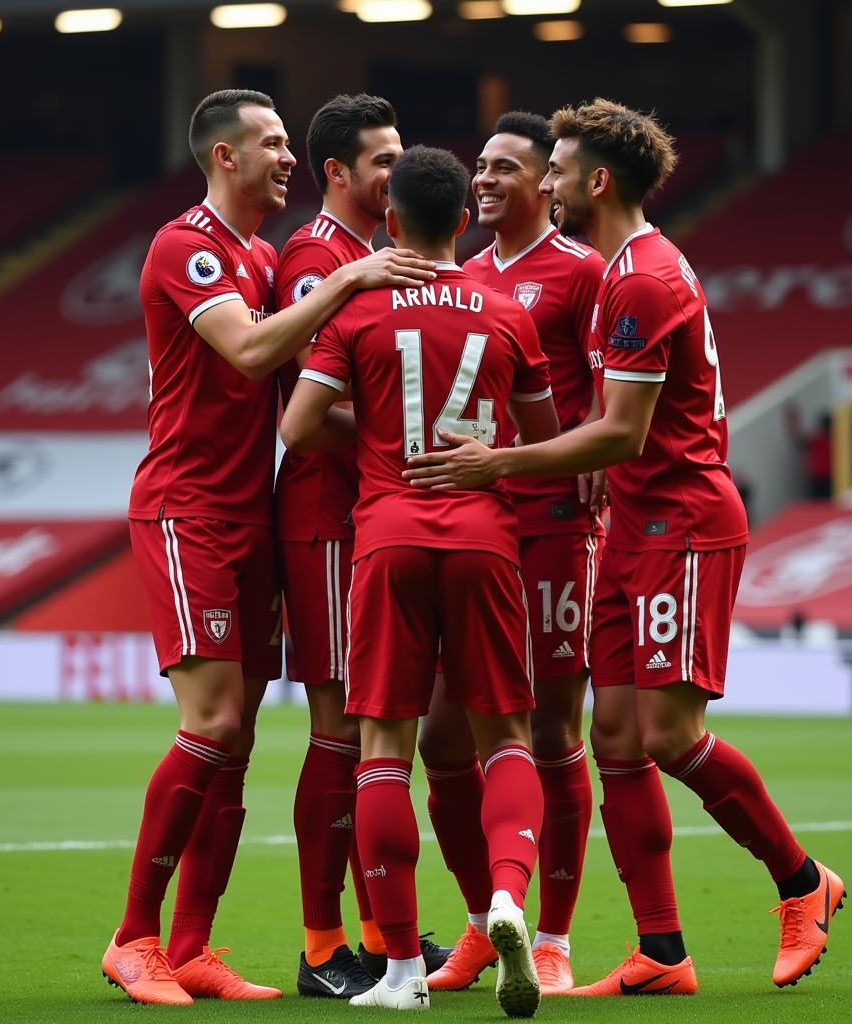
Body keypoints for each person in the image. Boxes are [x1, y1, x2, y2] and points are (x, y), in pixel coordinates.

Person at [403, 98, 845, 996]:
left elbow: (621, 434)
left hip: (680, 521)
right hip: (635, 528)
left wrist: (502, 464)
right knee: (615, 741)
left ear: (595, 181)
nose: (549, 184)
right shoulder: (621, 272)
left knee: (670, 735)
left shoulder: (642, 279)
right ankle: (662, 951)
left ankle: (804, 883)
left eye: (557, 170)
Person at [101, 88, 436, 1006]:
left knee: (239, 739)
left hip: (250, 513)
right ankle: (134, 939)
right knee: (209, 725)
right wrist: (347, 281)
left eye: (290, 142)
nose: (286, 157)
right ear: (223, 156)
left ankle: (195, 946)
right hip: (187, 509)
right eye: (272, 142)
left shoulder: (256, 254)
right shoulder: (189, 245)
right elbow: (251, 356)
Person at [280, 145, 559, 1017]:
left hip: (388, 536)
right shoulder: (508, 310)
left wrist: (381, 440)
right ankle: (507, 897)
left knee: (383, 755)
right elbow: (540, 439)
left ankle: (400, 972)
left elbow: (297, 426)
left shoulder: (357, 310)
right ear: (462, 222)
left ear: (390, 220)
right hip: (484, 538)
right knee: (507, 735)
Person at [419, 111, 606, 996]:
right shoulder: (461, 279)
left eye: (504, 169)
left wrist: (595, 469)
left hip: (554, 527)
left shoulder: (583, 273)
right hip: (472, 529)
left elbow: (616, 406)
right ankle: (482, 917)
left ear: (548, 186)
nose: (484, 180)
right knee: (441, 735)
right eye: (479, 169)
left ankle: (559, 935)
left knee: (550, 729)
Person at [274, 92, 449, 998]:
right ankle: (320, 944)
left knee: (385, 734)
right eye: (382, 159)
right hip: (331, 518)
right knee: (342, 730)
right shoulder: (318, 258)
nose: (397, 171)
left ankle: (392, 935)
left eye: (402, 155)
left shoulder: (388, 257)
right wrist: (399, 436)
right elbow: (297, 411)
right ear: (337, 173)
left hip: (383, 515)